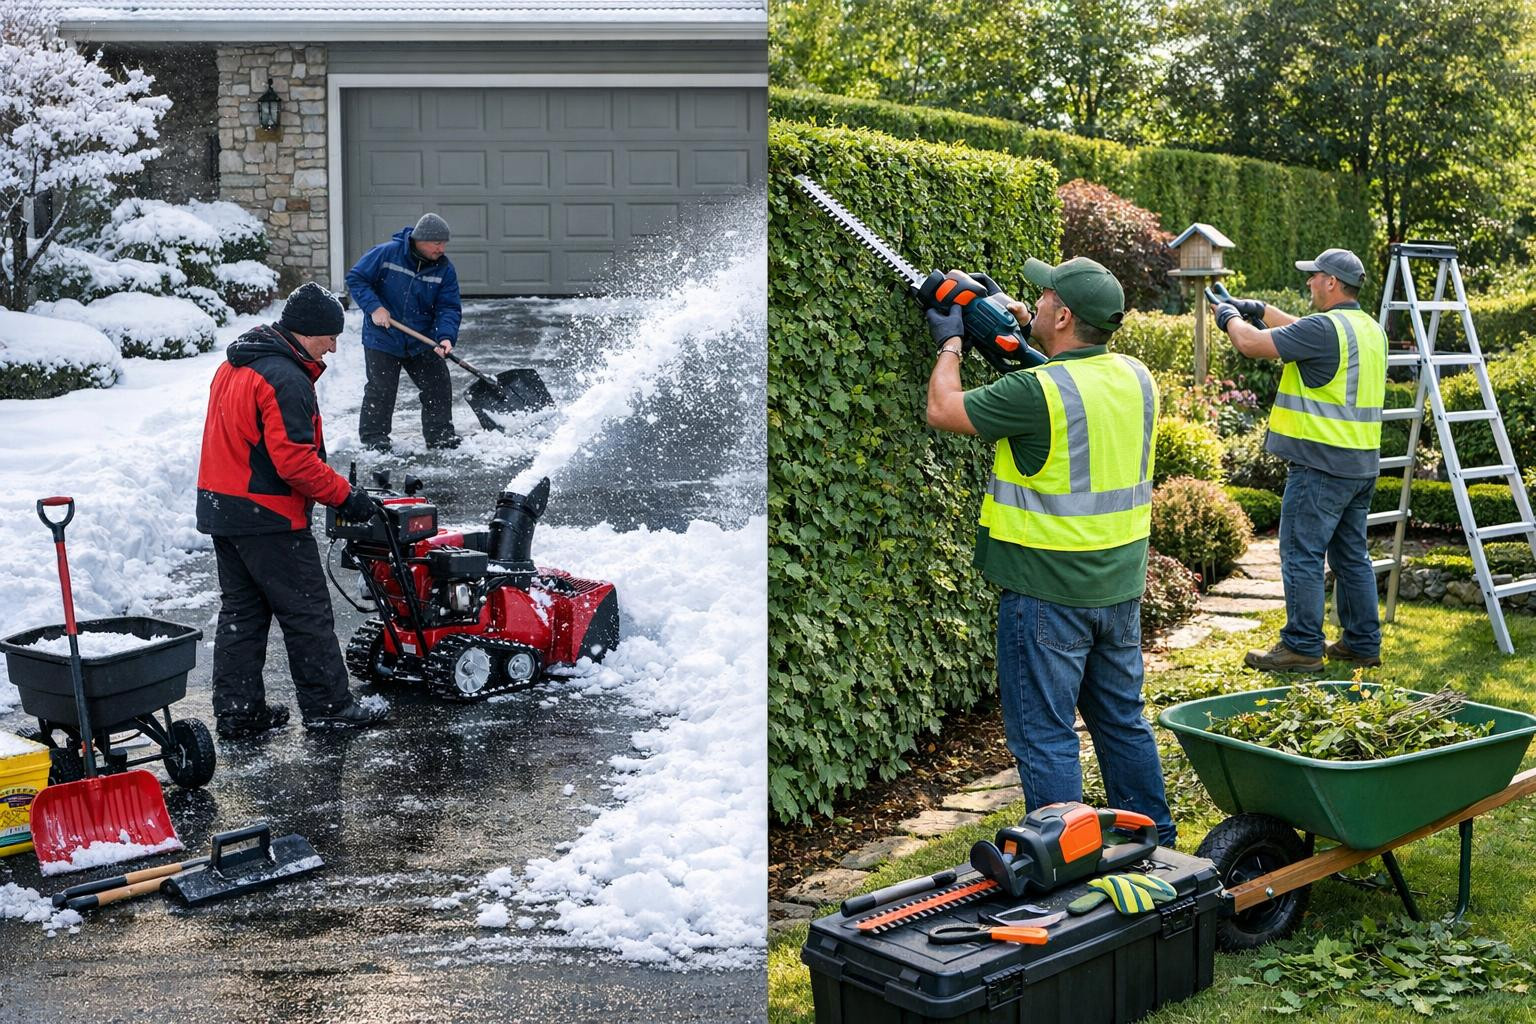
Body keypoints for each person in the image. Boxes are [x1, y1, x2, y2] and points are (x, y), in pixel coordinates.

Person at [925, 256, 1177, 847]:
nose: (1034, 301)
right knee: (1122, 722)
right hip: (1118, 590)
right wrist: (1012, 327)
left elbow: (943, 409)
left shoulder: (1035, 392)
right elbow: (1069, 392)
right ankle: (1158, 846)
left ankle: (1067, 856)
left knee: (1046, 735)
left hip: (1047, 596)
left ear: (1063, 317)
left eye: (1042, 298)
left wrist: (952, 342)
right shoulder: (1137, 375)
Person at [196, 283, 389, 737]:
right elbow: (296, 463)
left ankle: (239, 712)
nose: (333, 348)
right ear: (307, 331)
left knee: (242, 614)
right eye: (330, 338)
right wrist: (346, 496)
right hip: (268, 515)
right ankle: (329, 707)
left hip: (222, 507)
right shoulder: (285, 378)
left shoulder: (236, 364)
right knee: (307, 614)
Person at [1210, 247, 1387, 672]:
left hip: (1320, 465)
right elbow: (1300, 330)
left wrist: (1228, 317)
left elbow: (1250, 344)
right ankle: (1362, 643)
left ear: (1331, 282)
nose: (1309, 282)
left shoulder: (1325, 329)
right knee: (1351, 556)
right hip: (1359, 464)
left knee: (1301, 552)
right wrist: (1258, 309)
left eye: (1314, 275)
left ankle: (1302, 646)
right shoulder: (1368, 328)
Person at [345, 212, 463, 452]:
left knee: (438, 384)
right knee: (381, 389)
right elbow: (356, 278)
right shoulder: (387, 254)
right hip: (383, 337)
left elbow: (448, 307)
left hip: (421, 339)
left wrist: (445, 336)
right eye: (437, 243)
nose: (442, 249)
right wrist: (374, 307)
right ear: (420, 239)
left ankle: (440, 435)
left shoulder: (444, 270)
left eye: (444, 243)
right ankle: (374, 438)